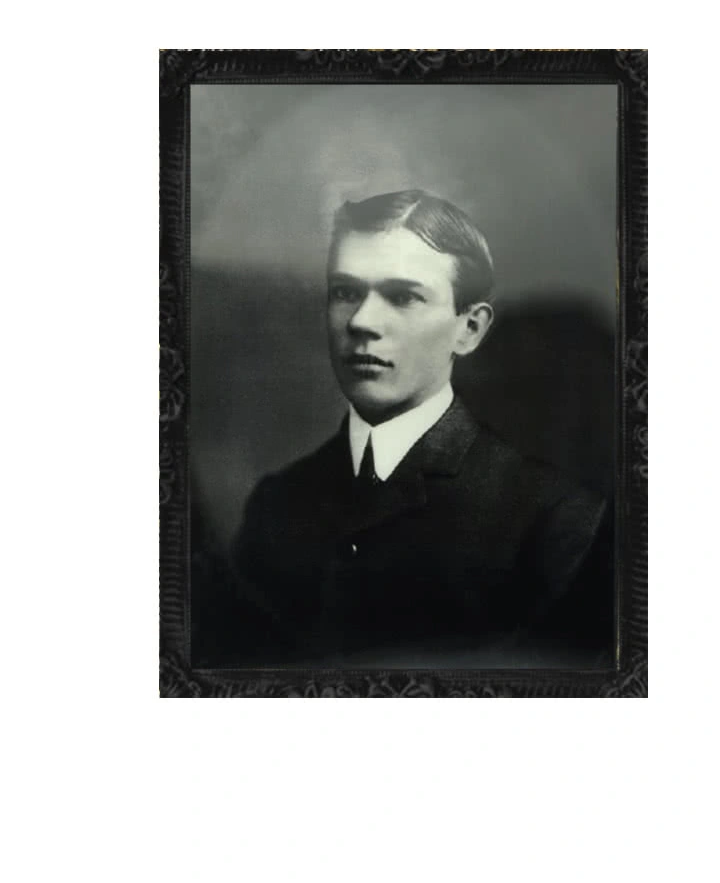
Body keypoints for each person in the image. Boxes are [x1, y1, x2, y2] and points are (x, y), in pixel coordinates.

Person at [205, 190, 612, 668]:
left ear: (469, 329)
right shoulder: (276, 505)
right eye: (346, 293)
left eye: (402, 297)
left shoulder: (557, 520)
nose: (362, 322)